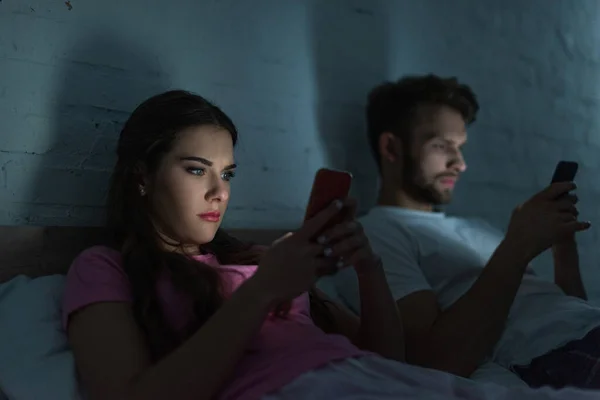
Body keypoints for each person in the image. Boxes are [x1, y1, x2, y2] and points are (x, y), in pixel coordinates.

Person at [63, 89, 598, 400]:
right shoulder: (105, 267)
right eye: (196, 169)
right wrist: (261, 292)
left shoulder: (253, 259)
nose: (217, 192)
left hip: (375, 377)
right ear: (141, 176)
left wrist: (367, 270)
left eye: (228, 173)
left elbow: (387, 355)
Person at [320, 74, 600, 390]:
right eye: (442, 145)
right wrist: (517, 246)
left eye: (460, 147)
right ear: (391, 147)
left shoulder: (479, 228)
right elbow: (435, 359)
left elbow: (565, 310)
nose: (460, 163)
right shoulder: (375, 234)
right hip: (557, 355)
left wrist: (563, 247)